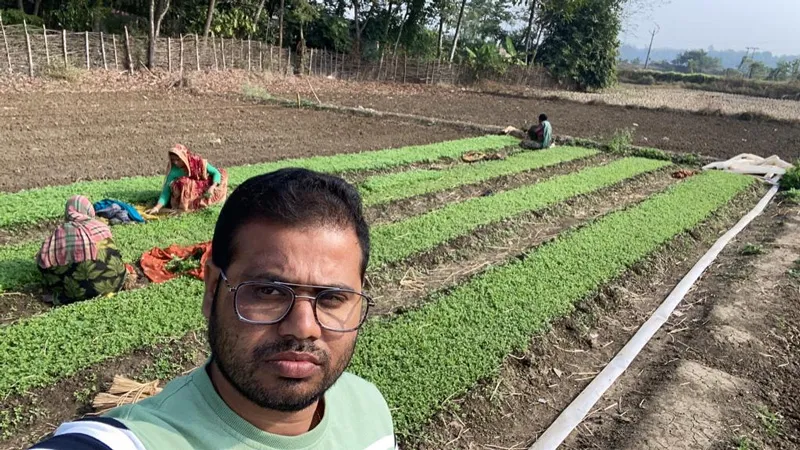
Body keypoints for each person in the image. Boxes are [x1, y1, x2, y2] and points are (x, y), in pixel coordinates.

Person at [32, 169, 396, 450]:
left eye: (332, 298)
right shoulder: (137, 440)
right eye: (268, 290)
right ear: (211, 289)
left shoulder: (370, 410)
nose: (303, 327)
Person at [36, 195, 127, 306]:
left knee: (52, 270)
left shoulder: (61, 232)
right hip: (117, 282)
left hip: (83, 291)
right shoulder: (100, 226)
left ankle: (69, 294)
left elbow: (43, 262)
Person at [146, 144, 228, 215]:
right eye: (173, 160)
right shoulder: (173, 170)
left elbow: (216, 173)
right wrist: (157, 207)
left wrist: (213, 187)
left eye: (178, 160)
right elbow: (166, 191)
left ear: (184, 157)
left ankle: (200, 202)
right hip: (190, 191)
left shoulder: (197, 162)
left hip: (206, 186)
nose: (175, 163)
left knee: (221, 178)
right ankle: (187, 204)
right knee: (184, 183)